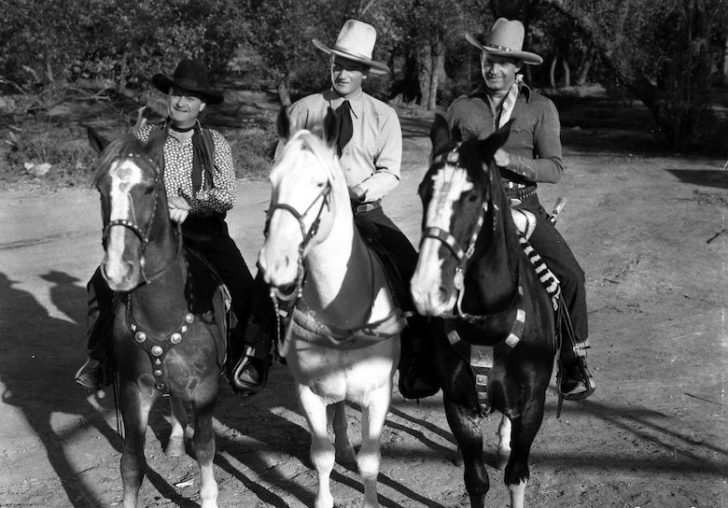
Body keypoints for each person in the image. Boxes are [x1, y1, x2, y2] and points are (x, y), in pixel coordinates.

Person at [231, 19, 439, 399]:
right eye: (338, 64)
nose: (343, 73)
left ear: (365, 73)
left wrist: (359, 190)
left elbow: (390, 170)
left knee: (407, 266)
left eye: (352, 67)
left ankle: (416, 359)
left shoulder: (383, 116)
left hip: (363, 210)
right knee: (269, 267)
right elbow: (284, 160)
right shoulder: (302, 110)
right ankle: (254, 352)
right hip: (310, 212)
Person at [75, 59, 254, 391]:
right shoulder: (145, 135)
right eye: (176, 93)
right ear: (168, 96)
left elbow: (226, 194)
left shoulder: (215, 142)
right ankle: (100, 357)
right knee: (100, 284)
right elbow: (127, 174)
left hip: (204, 230)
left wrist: (193, 204)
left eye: (190, 97)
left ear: (202, 105)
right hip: (154, 234)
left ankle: (245, 357)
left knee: (244, 286)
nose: (181, 102)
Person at [445, 18, 596, 400]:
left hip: (523, 209)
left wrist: (509, 159)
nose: (492, 68)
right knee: (429, 270)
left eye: (501, 61)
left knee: (572, 276)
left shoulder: (540, 108)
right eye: (487, 59)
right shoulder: (462, 108)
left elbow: (555, 168)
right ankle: (424, 362)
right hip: (474, 208)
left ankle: (572, 364)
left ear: (517, 68)